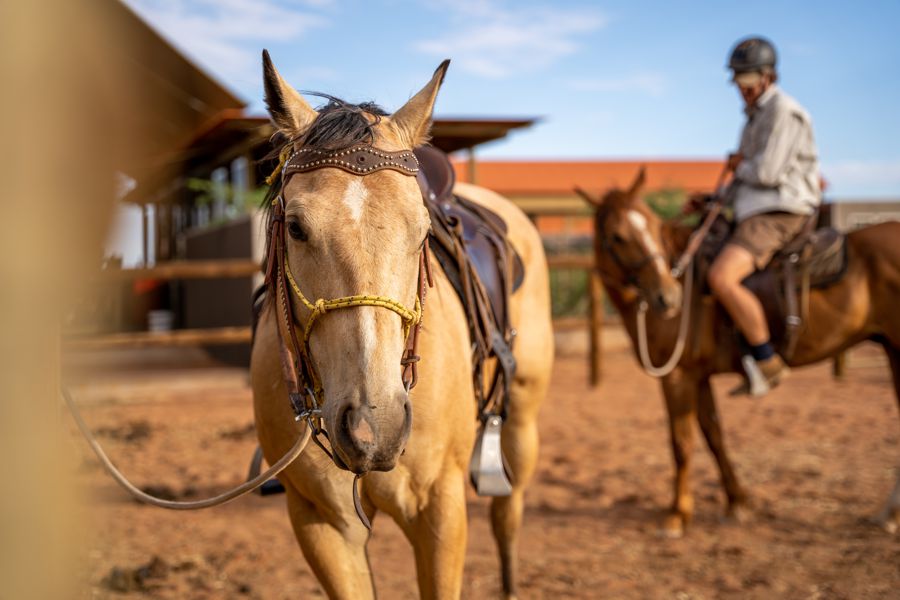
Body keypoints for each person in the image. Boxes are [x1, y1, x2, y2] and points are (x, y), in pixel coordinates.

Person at [707, 36, 822, 394]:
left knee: (722, 277)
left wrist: (737, 165)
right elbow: (749, 176)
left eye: (747, 81)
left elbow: (768, 173)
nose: (742, 90)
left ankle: (766, 360)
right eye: (738, 81)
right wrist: (714, 199)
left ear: (767, 77)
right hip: (753, 209)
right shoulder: (754, 117)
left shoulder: (783, 112)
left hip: (778, 211)